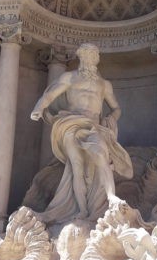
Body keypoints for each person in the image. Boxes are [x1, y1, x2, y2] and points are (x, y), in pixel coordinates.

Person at [30, 43, 133, 223]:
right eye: (89, 54)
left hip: (93, 125)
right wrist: (38, 108)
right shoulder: (69, 77)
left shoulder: (104, 84)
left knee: (101, 154)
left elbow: (116, 108)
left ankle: (111, 197)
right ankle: (83, 210)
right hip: (71, 123)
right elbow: (50, 96)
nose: (93, 58)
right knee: (76, 166)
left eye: (95, 55)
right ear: (81, 56)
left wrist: (111, 118)